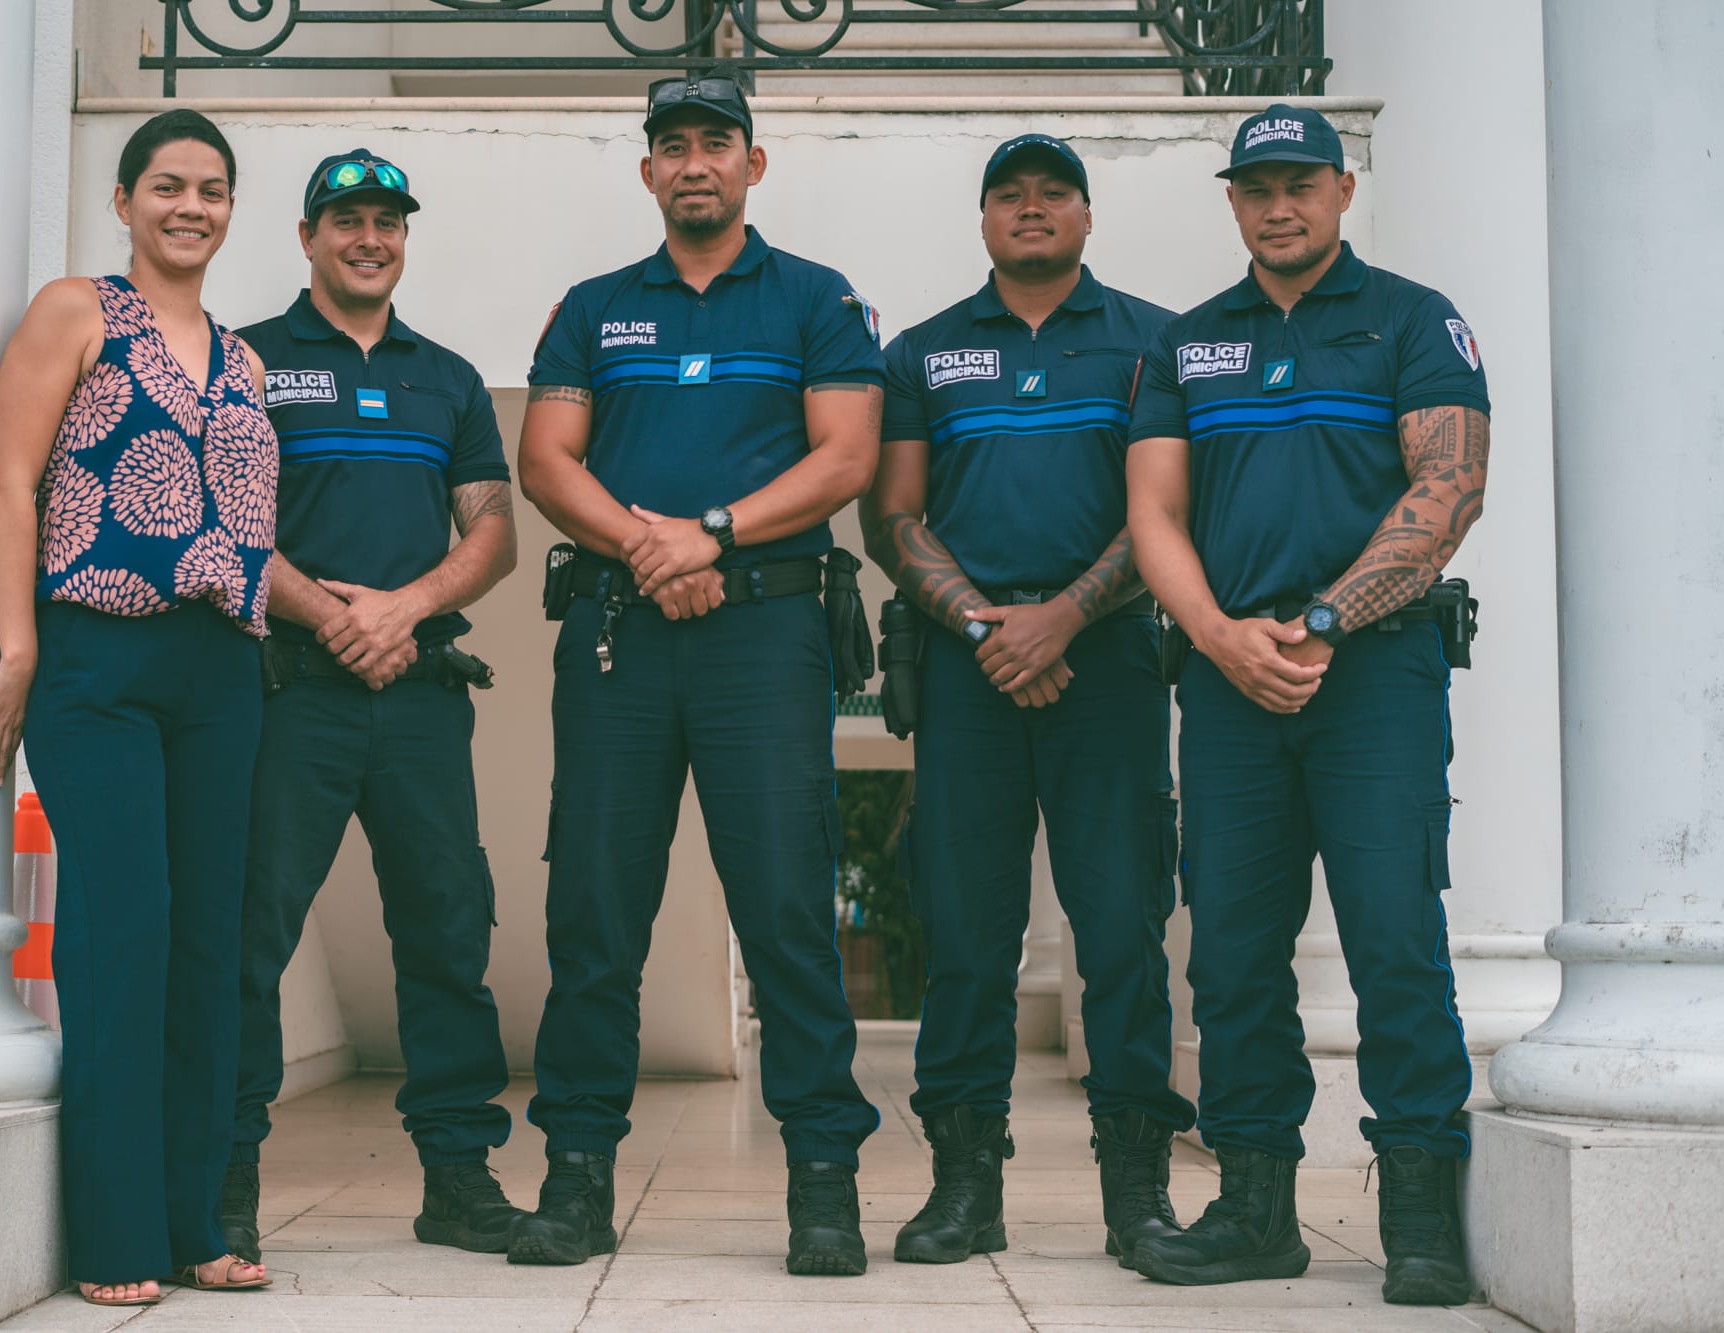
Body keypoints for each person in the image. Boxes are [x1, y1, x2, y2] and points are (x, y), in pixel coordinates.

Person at [512, 71, 884, 1276]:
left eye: (713, 143)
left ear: (751, 165)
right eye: (669, 145)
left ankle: (822, 1182)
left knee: (785, 908)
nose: (692, 163)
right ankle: (574, 1179)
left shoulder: (817, 300)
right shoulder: (592, 307)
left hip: (764, 638)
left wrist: (711, 531)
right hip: (622, 632)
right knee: (596, 914)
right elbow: (544, 455)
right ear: (647, 171)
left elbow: (844, 459)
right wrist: (648, 543)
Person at [1124, 104, 1490, 1304]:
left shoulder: (1411, 320)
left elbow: (1449, 488)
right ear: (1231, 201)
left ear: (1340, 190)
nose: (1277, 204)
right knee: (1228, 951)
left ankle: (1421, 1219)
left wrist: (1327, 619)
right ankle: (1252, 1210)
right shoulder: (1186, 345)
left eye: (1299, 182)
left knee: (1393, 938)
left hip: (1372, 673)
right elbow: (1153, 516)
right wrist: (1221, 636)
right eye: (1255, 186)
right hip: (1228, 683)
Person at [862, 134, 1195, 1268]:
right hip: (966, 668)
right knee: (964, 932)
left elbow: (1166, 509)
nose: (1031, 210)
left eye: (1054, 193)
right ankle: (963, 1186)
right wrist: (982, 627)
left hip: (1105, 665)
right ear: (984, 222)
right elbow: (894, 515)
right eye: (1009, 196)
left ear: (1087, 216)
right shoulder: (923, 352)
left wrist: (1061, 617)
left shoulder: (1158, 342)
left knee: (1121, 930)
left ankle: (1134, 1195)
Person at [0, 109, 276, 1307]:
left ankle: (196, 1224)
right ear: (123, 201)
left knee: (208, 940)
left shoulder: (247, 362)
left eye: (210, 189)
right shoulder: (76, 311)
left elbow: (247, 533)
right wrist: (17, 646)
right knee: (123, 930)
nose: (189, 206)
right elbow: (10, 479)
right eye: (166, 186)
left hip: (220, 669)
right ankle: (112, 1237)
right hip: (97, 659)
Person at [223, 149, 522, 1259]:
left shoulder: (445, 375)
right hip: (287, 693)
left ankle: (459, 1178)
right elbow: (218, 518)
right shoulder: (243, 360)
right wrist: (329, 616)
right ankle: (225, 1177)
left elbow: (490, 529)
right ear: (306, 236)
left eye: (386, 221)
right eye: (344, 219)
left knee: (447, 931)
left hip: (420, 698)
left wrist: (402, 609)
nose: (368, 238)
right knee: (251, 934)